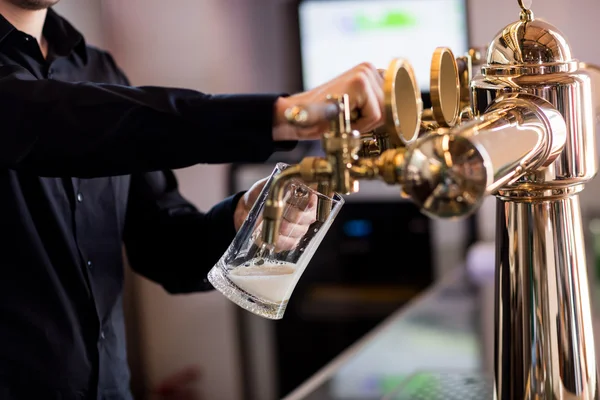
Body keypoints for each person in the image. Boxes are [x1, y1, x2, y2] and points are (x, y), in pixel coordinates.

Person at [0, 0, 385, 399]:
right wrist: (284, 116)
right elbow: (55, 119)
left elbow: (163, 247)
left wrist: (240, 220)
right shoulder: (70, 99)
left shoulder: (96, 69)